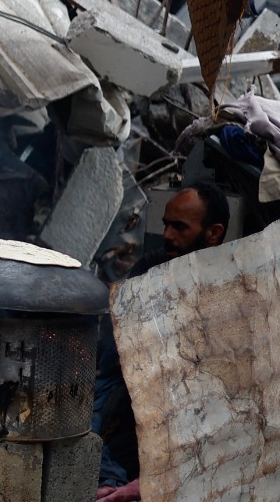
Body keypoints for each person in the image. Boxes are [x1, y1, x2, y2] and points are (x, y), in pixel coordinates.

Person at [94, 181, 229, 484]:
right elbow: (115, 343)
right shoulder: (153, 265)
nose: (167, 235)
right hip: (125, 397)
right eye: (167, 225)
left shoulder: (224, 290)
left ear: (214, 233)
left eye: (180, 227)